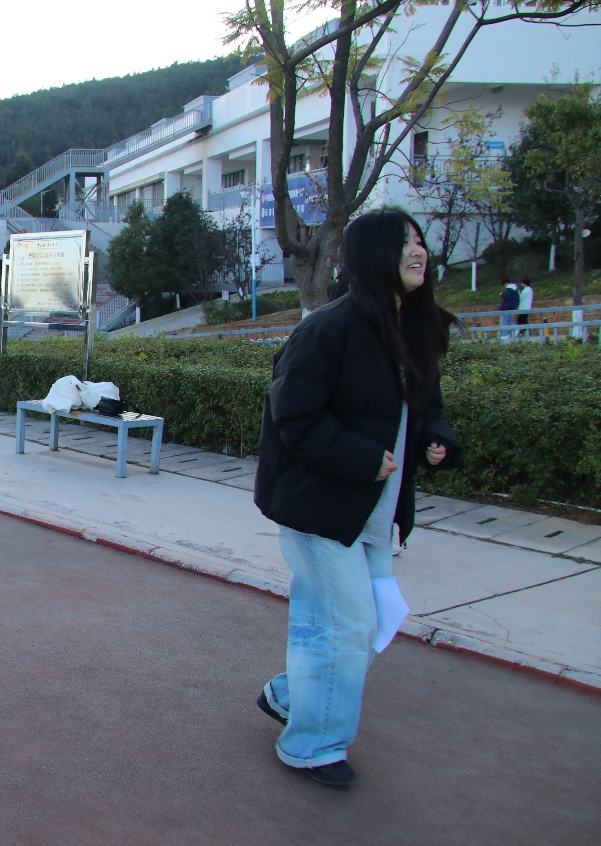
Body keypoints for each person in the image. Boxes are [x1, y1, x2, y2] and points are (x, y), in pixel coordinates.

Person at [253, 208, 462, 787]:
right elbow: (294, 415)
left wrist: (437, 439)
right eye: (404, 242)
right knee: (347, 625)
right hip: (319, 506)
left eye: (420, 241)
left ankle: (291, 696)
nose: (418, 251)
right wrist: (363, 458)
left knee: (361, 624)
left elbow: (425, 408)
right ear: (372, 256)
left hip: (372, 511)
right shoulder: (329, 328)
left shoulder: (411, 329)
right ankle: (312, 746)